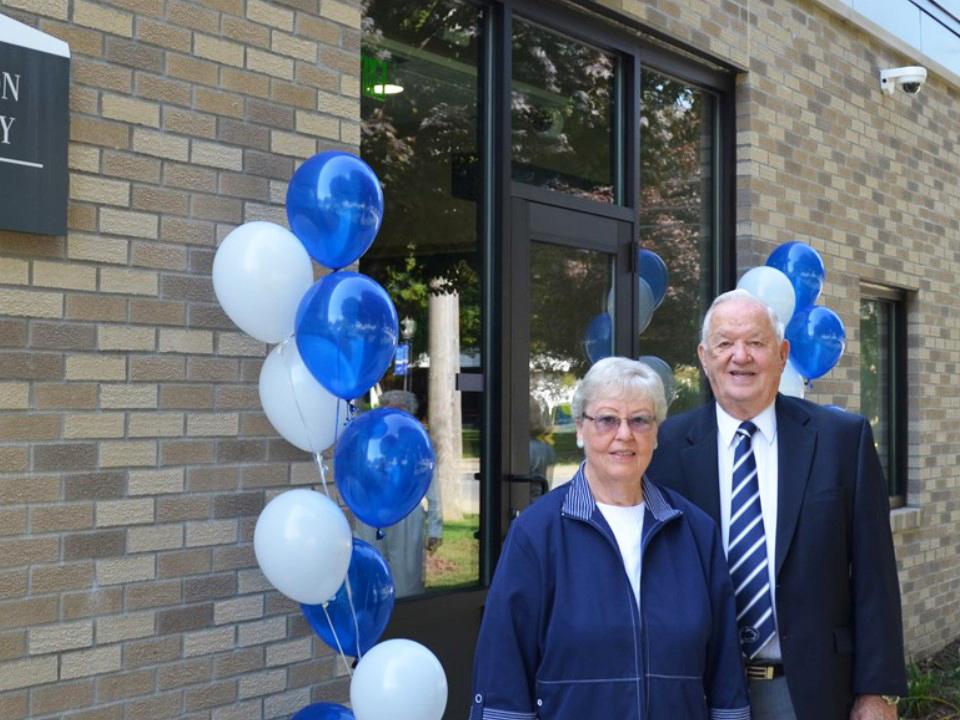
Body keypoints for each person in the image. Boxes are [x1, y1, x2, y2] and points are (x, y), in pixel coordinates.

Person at [647, 289, 907, 720]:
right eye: (725, 343)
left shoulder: (841, 440)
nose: (740, 356)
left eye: (755, 342)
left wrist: (876, 691)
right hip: (699, 691)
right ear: (705, 357)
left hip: (810, 690)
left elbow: (873, 575)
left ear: (783, 353)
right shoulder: (665, 448)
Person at [471, 357, 749, 720]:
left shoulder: (694, 531)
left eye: (640, 420)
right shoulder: (537, 534)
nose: (624, 434)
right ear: (581, 429)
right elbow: (503, 669)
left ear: (656, 432)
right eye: (606, 419)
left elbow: (724, 670)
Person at [354, 389, 442, 597]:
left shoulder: (419, 443)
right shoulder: (369, 439)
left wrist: (435, 528)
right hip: (371, 510)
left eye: (399, 413)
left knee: (406, 573)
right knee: (371, 566)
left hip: (406, 513)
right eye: (388, 412)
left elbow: (433, 487)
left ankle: (406, 615)